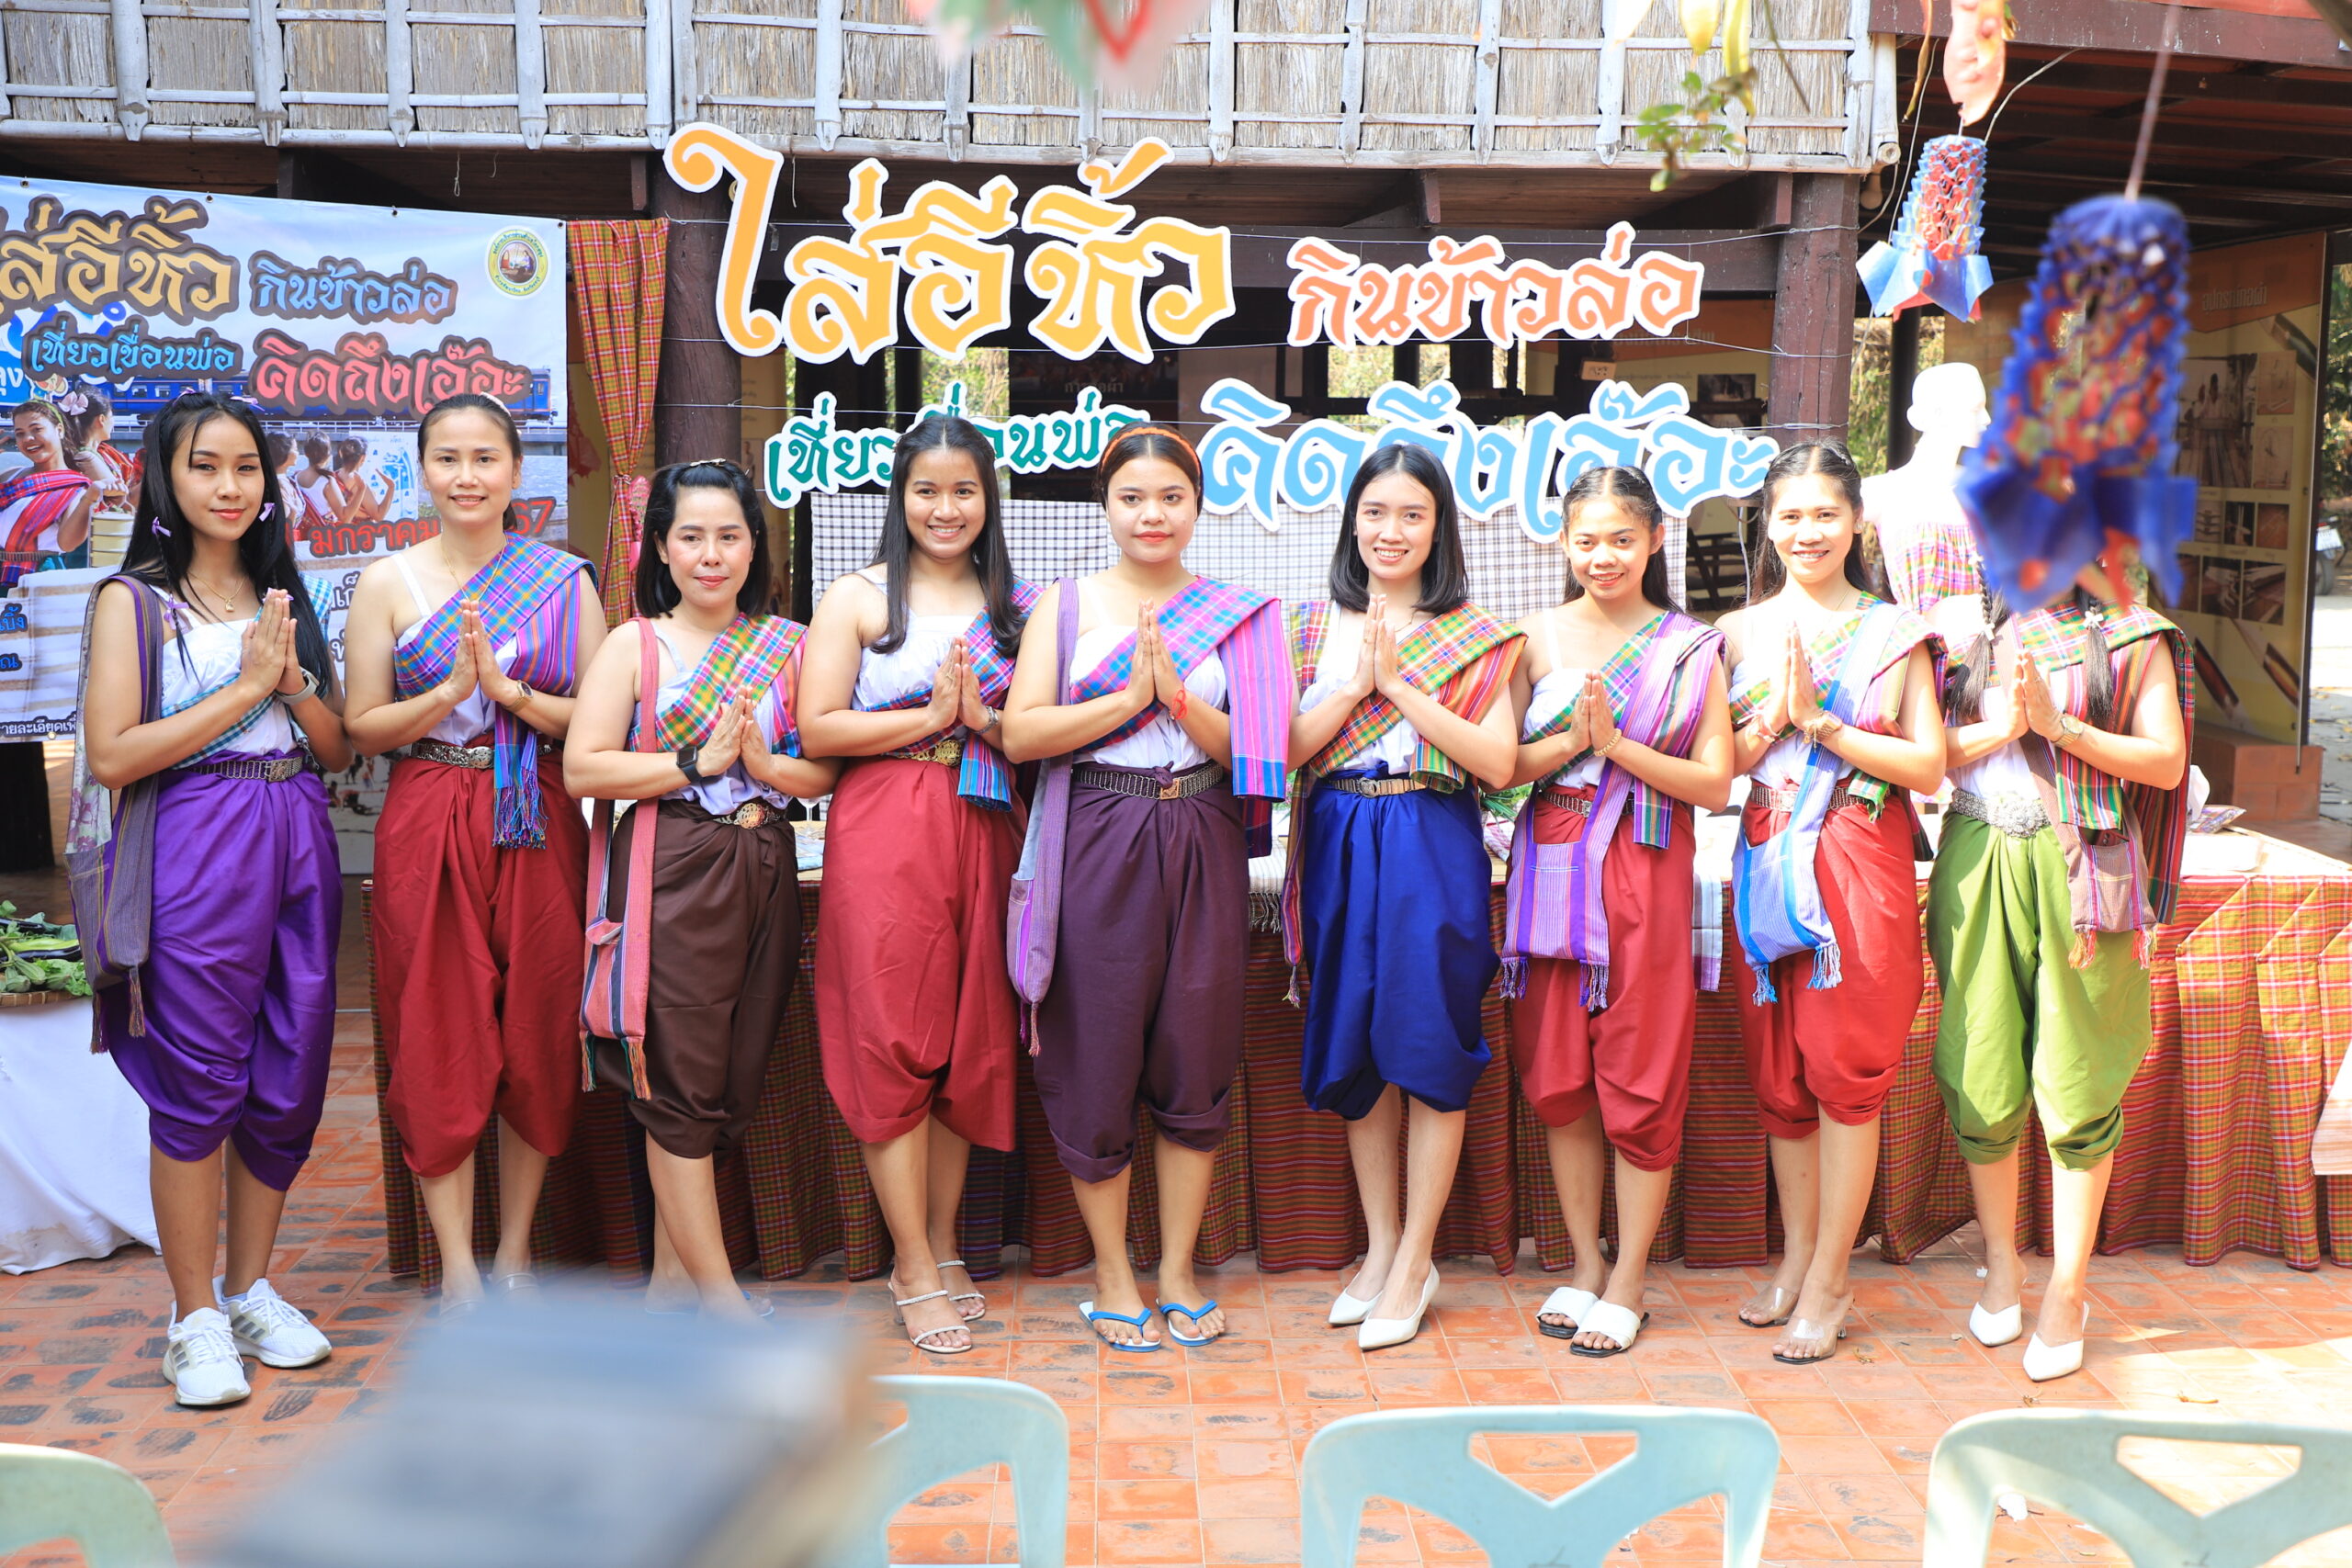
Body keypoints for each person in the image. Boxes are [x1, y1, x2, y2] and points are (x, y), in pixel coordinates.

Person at [73, 390, 351, 1405]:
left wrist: (291, 684)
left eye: (246, 467)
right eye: (205, 466)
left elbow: (337, 750)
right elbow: (112, 754)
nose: (229, 487)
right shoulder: (134, 601)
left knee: (289, 1069)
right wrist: (242, 688)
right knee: (200, 1077)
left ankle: (249, 1291)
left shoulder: (283, 591)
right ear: (166, 476)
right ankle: (191, 1319)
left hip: (297, 831)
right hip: (197, 835)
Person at [998, 425, 1290, 1352]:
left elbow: (1263, 755)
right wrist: (1128, 702)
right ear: (1107, 506)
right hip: (1099, 828)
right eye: (1132, 497)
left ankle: (1176, 1270)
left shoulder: (1241, 615)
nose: (1151, 514)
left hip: (1202, 828)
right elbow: (1020, 733)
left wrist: (1182, 703)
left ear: (1197, 506)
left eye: (1171, 497)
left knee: (1194, 1049)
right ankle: (1113, 1275)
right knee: (1096, 1047)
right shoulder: (1065, 604)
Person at [343, 393, 605, 1310]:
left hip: (538, 810)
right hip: (429, 808)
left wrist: (512, 695)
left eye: (485, 458)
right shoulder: (388, 583)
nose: (467, 476)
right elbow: (362, 727)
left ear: (515, 471)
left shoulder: (564, 582)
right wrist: (451, 691)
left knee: (538, 1027)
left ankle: (517, 1251)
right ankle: (457, 1266)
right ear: (422, 471)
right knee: (436, 1026)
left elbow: (602, 719)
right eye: (448, 458)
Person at [566, 460, 835, 1320]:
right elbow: (583, 767)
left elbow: (823, 771)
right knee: (678, 1085)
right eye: (692, 536)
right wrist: (694, 762)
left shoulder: (792, 645)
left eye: (729, 536)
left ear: (755, 546)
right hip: (671, 866)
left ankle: (665, 1297)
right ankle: (723, 1309)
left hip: (766, 862)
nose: (711, 555)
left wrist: (763, 765)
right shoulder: (634, 644)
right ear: (661, 547)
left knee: (729, 1078)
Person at [798, 416, 1030, 1357]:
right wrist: (930, 718)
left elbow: (1036, 730)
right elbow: (818, 728)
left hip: (986, 821)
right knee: (893, 1036)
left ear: (987, 499)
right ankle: (909, 1263)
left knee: (971, 1039)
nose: (945, 508)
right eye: (926, 490)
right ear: (899, 498)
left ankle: (942, 1243)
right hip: (888, 823)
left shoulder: (1013, 606)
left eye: (963, 490)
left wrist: (985, 720)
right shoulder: (857, 598)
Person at [1283, 444, 1521, 1352]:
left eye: (1412, 514)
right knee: (1355, 1043)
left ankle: (1418, 1258)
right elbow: (1285, 750)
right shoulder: (1309, 626)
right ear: (1352, 520)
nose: (1392, 531)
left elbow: (1496, 762)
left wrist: (1397, 689)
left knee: (1426, 1042)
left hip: (1429, 832)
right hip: (1339, 831)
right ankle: (1382, 1245)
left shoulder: (1478, 634)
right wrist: (1353, 685)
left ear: (1438, 527)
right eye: (1375, 512)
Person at [1501, 467, 1733, 1358]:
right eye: (1587, 540)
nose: (1603, 556)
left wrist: (1617, 746)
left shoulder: (1691, 647)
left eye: (1621, 539)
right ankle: (1584, 1262)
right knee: (1557, 1076)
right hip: (1551, 868)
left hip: (1646, 861)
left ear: (1654, 542)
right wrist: (1570, 744)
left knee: (1640, 1074)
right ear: (1563, 543)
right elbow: (1501, 765)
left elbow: (1712, 782)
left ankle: (1629, 1277)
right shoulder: (1532, 637)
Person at [1720, 443, 1944, 1364]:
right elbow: (1720, 766)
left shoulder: (1896, 634)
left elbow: (1927, 765)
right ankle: (1798, 1256)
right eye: (1789, 515)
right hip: (1767, 848)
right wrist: (1771, 719)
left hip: (1857, 853)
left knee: (1845, 1071)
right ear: (1767, 526)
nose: (1806, 531)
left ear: (1857, 522)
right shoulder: (1736, 633)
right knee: (1780, 1074)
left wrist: (1822, 724)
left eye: (1824, 514)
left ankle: (1831, 1279)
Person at [1933, 581, 2189, 1381]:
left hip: (2084, 862)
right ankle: (2002, 1264)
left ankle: (2068, 1290)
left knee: (2079, 1075)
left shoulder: (2133, 634)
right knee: (1979, 1067)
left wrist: (2059, 727)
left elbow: (2167, 761)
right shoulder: (1959, 629)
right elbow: (1924, 752)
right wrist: (2000, 729)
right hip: (1976, 850)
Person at [1, 398, 96, 586]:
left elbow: (67, 544)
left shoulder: (77, 487)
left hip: (42, 576)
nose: (28, 439)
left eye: (36, 429)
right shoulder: (11, 475)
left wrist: (88, 501)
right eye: (20, 433)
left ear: (59, 430)